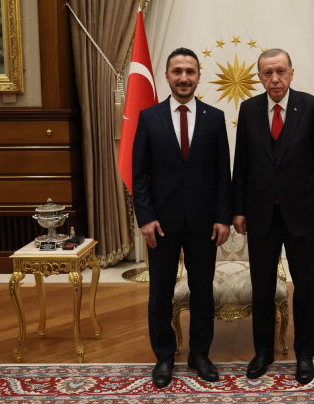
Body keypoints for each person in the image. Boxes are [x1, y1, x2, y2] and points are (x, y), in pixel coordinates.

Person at [232, 48, 314, 385]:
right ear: (259, 77)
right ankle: (262, 353)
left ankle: (305, 355)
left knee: (306, 287)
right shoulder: (249, 110)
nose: (274, 79)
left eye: (280, 71)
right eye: (267, 73)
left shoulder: (312, 106)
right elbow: (241, 165)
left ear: (291, 73)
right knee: (262, 288)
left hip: (302, 213)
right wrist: (238, 209)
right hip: (261, 214)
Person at [132, 47, 232, 388]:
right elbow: (139, 174)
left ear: (199, 76)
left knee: (202, 291)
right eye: (178, 71)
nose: (184, 77)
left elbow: (223, 173)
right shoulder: (149, 118)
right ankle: (164, 356)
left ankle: (200, 354)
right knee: (160, 292)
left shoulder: (214, 118)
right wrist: (145, 218)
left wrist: (223, 217)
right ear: (167, 76)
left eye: (190, 71)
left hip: (204, 224)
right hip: (161, 223)